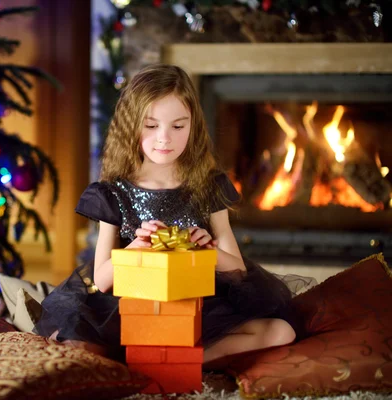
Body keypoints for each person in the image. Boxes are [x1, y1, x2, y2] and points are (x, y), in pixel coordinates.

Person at [34, 64, 308, 369]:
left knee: (282, 331)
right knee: (73, 342)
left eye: (178, 126)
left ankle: (182, 360)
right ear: (131, 125)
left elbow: (238, 270)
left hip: (198, 303)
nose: (165, 138)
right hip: (135, 305)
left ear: (193, 126)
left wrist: (208, 252)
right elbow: (102, 279)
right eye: (151, 126)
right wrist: (133, 252)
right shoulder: (113, 191)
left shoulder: (210, 185)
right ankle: (141, 357)